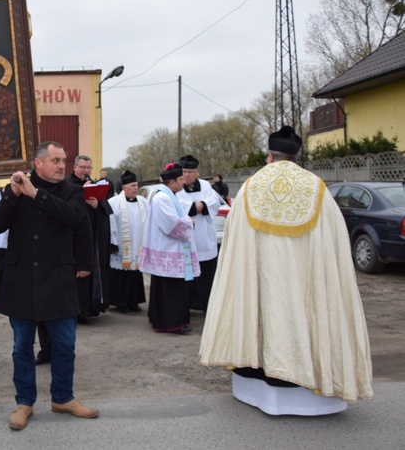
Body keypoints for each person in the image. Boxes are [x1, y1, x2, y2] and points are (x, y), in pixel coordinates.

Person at [199, 126, 373, 416]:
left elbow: (235, 243)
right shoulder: (316, 187)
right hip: (306, 284)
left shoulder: (250, 187)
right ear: (294, 157)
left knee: (263, 317)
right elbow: (335, 242)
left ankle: (258, 392)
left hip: (262, 282)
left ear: (269, 156)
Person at [0, 141, 99, 431]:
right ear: (38, 163)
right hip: (21, 279)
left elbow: (76, 220)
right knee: (21, 346)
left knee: (65, 344)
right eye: (56, 160)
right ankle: (24, 402)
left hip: (58, 278)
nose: (62, 165)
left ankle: (63, 398)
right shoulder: (16, 189)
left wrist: (86, 264)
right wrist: (13, 194)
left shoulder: (72, 190)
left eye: (64, 160)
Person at [139, 163, 200, 335]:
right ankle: (173, 323)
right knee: (173, 290)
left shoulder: (168, 196)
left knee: (165, 288)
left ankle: (163, 320)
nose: (183, 182)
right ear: (171, 182)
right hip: (170, 250)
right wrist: (190, 222)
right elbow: (172, 224)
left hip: (168, 249)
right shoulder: (162, 199)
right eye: (180, 179)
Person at [68, 155, 112, 322]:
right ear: (75, 167)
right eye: (83, 167)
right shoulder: (68, 184)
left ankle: (91, 308)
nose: (86, 171)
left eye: (89, 168)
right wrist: (81, 193)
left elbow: (107, 208)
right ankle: (77, 311)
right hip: (74, 239)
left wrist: (97, 205)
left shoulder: (94, 184)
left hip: (93, 237)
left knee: (92, 273)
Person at [177, 155, 220, 311]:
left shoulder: (205, 185)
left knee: (206, 275)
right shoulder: (177, 187)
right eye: (184, 171)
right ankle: (188, 304)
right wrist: (197, 207)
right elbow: (179, 206)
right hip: (187, 238)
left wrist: (201, 205)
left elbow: (214, 201)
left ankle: (207, 304)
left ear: (197, 173)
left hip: (205, 236)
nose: (186, 175)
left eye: (190, 172)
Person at [108, 170, 148, 313]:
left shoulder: (143, 202)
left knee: (135, 273)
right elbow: (111, 224)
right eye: (132, 186)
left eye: (136, 185)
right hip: (121, 244)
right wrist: (112, 242)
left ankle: (134, 301)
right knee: (122, 274)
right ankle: (120, 302)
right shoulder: (113, 203)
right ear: (124, 187)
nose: (135, 188)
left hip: (138, 244)